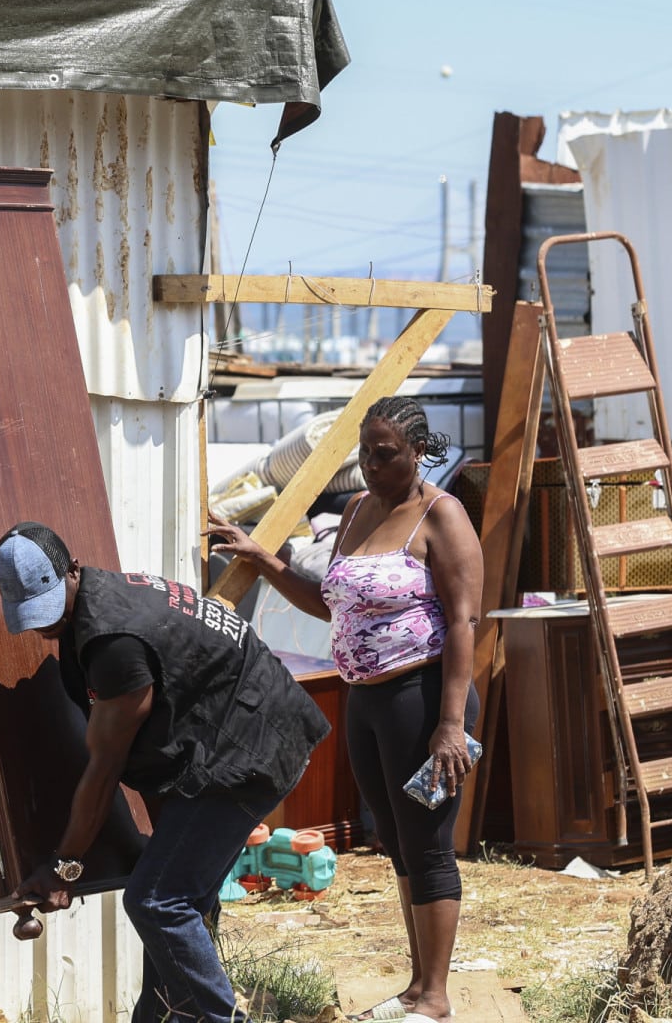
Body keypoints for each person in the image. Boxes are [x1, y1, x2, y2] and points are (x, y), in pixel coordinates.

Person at [206, 396, 483, 1023]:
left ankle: (436, 998)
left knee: (430, 843)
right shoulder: (356, 510)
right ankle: (415, 989)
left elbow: (464, 621)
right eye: (365, 453)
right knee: (395, 840)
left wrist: (450, 725)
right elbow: (330, 603)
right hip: (367, 700)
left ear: (417, 452)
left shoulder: (442, 516)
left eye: (384, 455)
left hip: (424, 699)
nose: (372, 466)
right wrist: (261, 559)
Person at [0, 521, 331, 1023]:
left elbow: (106, 767)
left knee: (156, 901)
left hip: (249, 752)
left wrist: (66, 866)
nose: (40, 626)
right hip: (246, 737)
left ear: (72, 570)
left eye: (44, 605)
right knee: (179, 897)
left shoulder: (114, 644)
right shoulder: (101, 599)